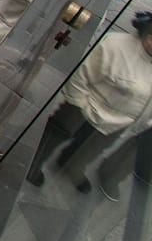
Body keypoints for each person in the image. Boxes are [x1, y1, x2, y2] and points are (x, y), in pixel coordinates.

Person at [25, 11, 152, 191]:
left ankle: (72, 165)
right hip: (86, 106)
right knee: (57, 134)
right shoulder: (115, 45)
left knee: (92, 149)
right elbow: (81, 76)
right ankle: (33, 162)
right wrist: (78, 105)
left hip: (120, 120)